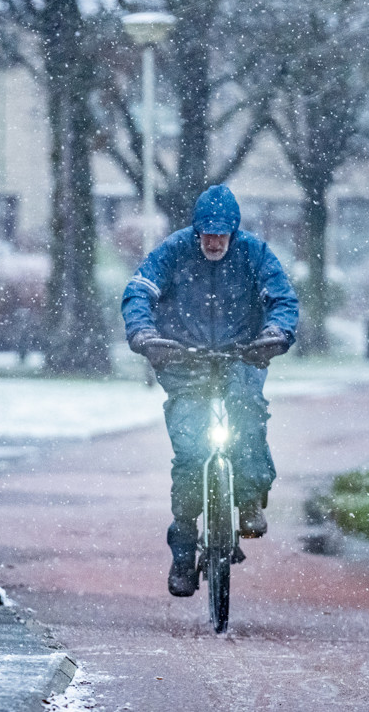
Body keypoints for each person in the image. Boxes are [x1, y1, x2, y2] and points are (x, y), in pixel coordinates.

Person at [121, 184, 299, 597]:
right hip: (185, 358)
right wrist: (144, 333)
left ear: (234, 232)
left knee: (248, 410)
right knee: (190, 452)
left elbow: (282, 299)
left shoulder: (256, 254)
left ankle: (250, 497)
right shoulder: (173, 251)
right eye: (208, 234)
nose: (215, 241)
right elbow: (139, 291)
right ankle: (183, 549)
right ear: (196, 230)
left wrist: (275, 332)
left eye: (223, 234)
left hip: (242, 354)